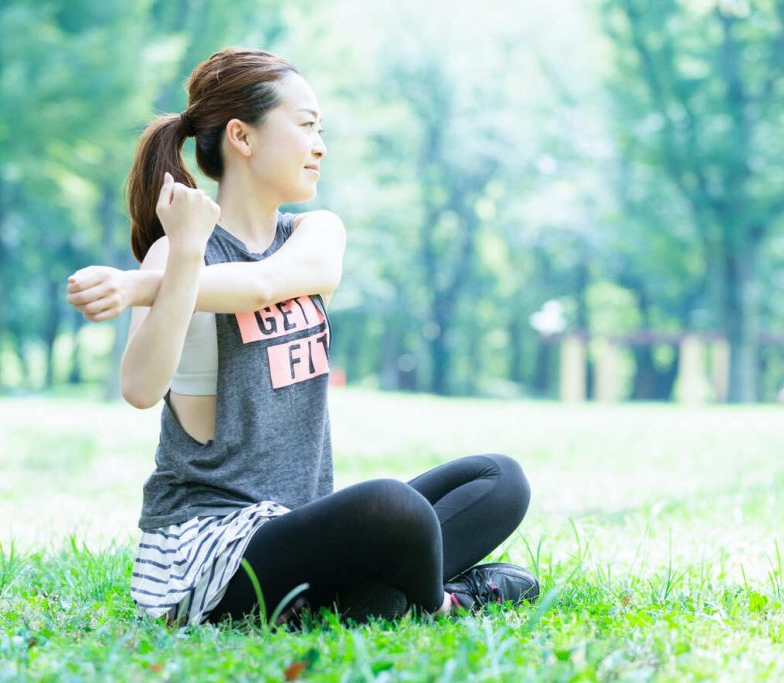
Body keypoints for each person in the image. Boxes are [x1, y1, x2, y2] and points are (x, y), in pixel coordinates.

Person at [65, 47, 538, 626]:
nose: (320, 144)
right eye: (306, 125)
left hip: (298, 524)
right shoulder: (177, 255)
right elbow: (140, 389)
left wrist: (137, 286)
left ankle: (371, 598)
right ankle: (444, 601)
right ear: (242, 136)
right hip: (212, 551)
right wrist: (183, 255)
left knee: (498, 479)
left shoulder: (315, 233)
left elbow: (264, 283)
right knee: (392, 507)